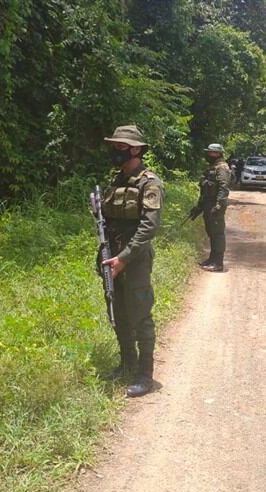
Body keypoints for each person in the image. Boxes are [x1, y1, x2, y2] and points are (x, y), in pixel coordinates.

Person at [100, 125, 164, 398]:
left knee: (139, 313)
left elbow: (149, 228)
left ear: (136, 149)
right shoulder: (116, 180)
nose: (116, 151)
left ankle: (144, 374)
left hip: (134, 258)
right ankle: (127, 362)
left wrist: (124, 258)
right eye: (114, 146)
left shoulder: (150, 183)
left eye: (121, 146)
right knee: (117, 312)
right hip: (110, 255)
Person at [190, 143, 231, 272]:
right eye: (208, 152)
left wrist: (219, 205)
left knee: (217, 234)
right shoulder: (212, 167)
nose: (208, 155)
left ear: (218, 153)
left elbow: (223, 188)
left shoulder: (222, 168)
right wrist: (199, 207)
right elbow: (206, 190)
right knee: (211, 233)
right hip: (208, 204)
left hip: (215, 205)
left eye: (211, 152)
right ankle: (212, 259)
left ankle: (218, 263)